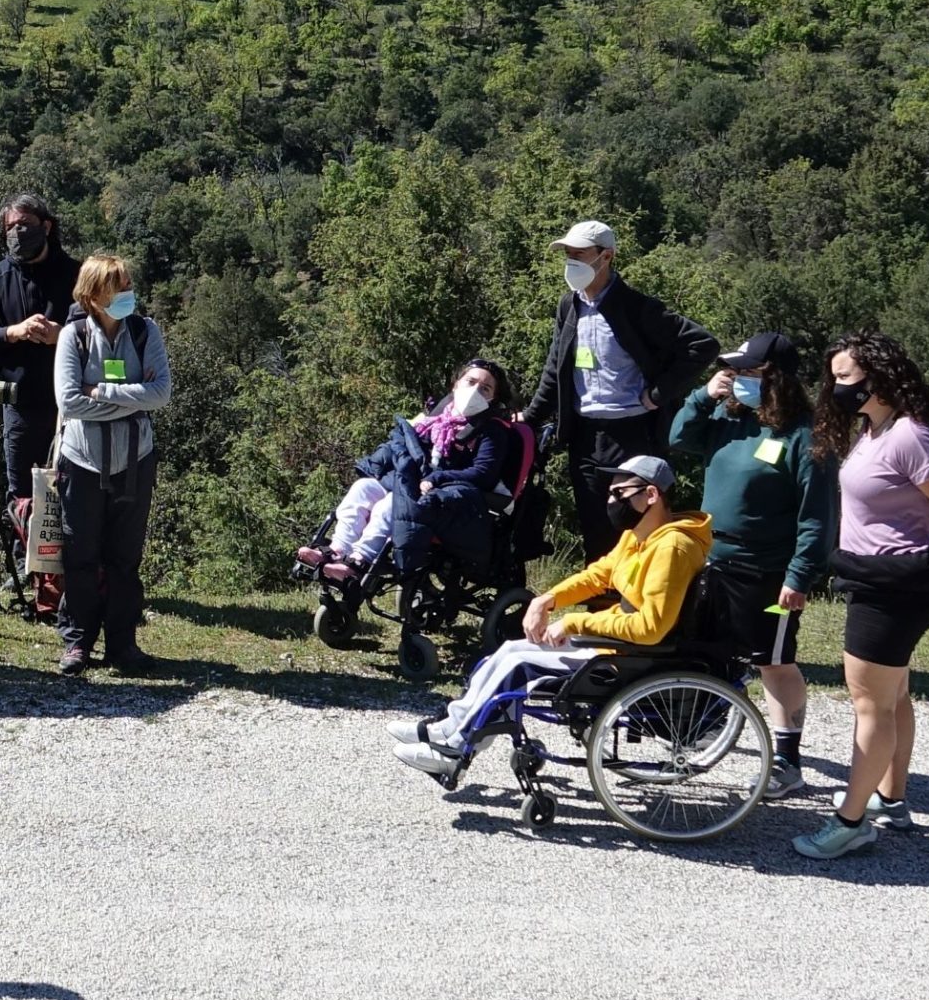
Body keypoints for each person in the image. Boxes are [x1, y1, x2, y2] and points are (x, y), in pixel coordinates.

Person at [392, 455, 710, 776]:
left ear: (652, 495)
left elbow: (650, 628)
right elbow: (598, 575)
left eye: (620, 493)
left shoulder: (673, 548)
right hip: (614, 644)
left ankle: (455, 751)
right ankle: (451, 727)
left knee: (519, 665)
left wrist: (574, 621)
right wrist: (547, 599)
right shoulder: (638, 536)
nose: (611, 500)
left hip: (629, 656)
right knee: (510, 650)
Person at [793, 331, 929, 862]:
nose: (836, 386)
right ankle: (890, 801)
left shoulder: (912, 436)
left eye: (846, 377)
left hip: (895, 586)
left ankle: (851, 821)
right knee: (893, 694)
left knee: (869, 701)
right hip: (877, 579)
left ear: (879, 377)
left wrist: (926, 548)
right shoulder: (876, 429)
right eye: (833, 377)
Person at [670, 331, 833, 799]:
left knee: (773, 662)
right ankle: (698, 734)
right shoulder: (728, 417)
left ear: (775, 378)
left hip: (768, 572)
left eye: (747, 373)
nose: (737, 379)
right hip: (712, 560)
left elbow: (816, 515)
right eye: (733, 371)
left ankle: (786, 760)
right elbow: (680, 436)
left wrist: (801, 575)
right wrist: (705, 395)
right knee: (705, 650)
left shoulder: (805, 436)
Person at [520, 220, 718, 561]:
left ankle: (640, 607)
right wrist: (530, 418)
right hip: (584, 435)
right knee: (593, 525)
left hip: (631, 434)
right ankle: (599, 609)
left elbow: (702, 345)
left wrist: (658, 394)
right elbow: (555, 369)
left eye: (579, 254)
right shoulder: (569, 306)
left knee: (631, 524)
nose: (571, 262)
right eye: (568, 255)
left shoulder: (636, 307)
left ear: (606, 256)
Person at [50, 252, 172, 677]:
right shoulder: (74, 336)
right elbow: (68, 401)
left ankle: (123, 645)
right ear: (94, 294)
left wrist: (101, 393)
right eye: (119, 286)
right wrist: (130, 400)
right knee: (80, 556)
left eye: (128, 284)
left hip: (135, 462)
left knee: (125, 560)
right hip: (81, 462)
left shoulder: (145, 331)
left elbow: (162, 394)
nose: (128, 293)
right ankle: (77, 643)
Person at [300, 358, 518, 572]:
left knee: (390, 505)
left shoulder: (491, 431)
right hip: (413, 481)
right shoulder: (434, 418)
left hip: (447, 495)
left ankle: (358, 561)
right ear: (456, 384)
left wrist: (437, 478)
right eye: (471, 382)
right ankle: (337, 550)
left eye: (485, 389)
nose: (475, 391)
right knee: (362, 488)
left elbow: (483, 474)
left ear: (492, 399)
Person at [0, 193, 83, 516]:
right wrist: (13, 332)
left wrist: (63, 335)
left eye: (25, 224)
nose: (17, 232)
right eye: (10, 227)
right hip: (20, 408)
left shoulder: (77, 275)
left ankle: (73, 566)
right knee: (22, 498)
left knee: (75, 493)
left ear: (46, 226)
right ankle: (24, 566)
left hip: (72, 407)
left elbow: (102, 333)